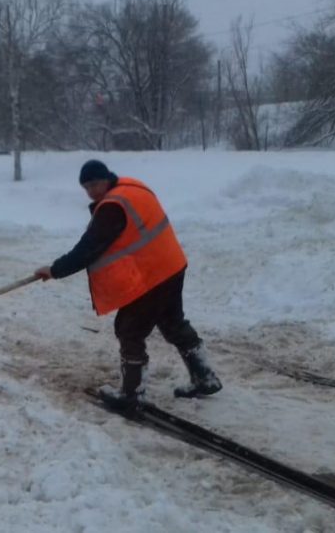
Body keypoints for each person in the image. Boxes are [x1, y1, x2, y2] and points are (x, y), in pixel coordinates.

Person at [34, 160, 222, 410]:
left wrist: (55, 270)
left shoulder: (113, 206)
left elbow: (88, 249)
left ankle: (131, 394)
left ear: (105, 178)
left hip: (153, 274)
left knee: (129, 329)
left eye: (94, 184)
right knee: (172, 322)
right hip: (171, 265)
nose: (91, 191)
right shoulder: (132, 188)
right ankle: (204, 377)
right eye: (86, 187)